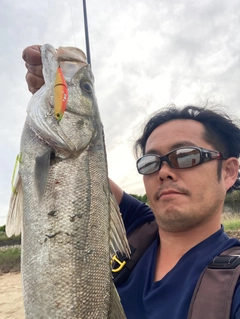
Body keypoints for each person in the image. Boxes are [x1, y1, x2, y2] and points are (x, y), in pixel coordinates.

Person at [22, 45, 240, 319]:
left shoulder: (234, 283)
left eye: (186, 156)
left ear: (230, 171)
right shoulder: (140, 227)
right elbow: (80, 175)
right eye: (150, 162)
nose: (164, 171)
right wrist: (59, 89)